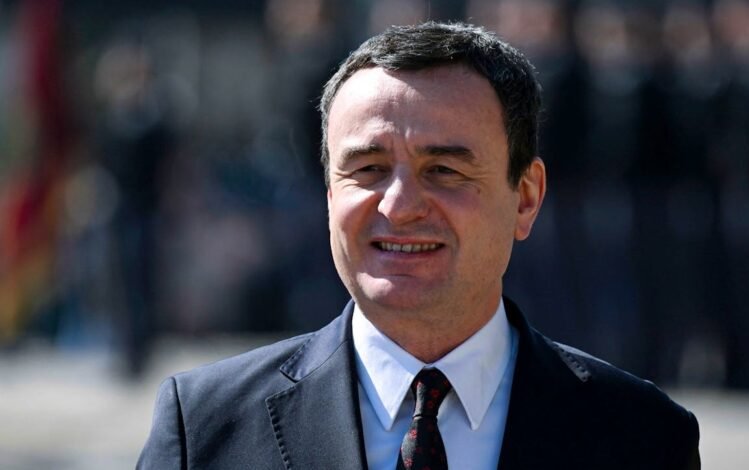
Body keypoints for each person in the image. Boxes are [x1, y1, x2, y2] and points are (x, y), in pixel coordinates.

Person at [137, 22, 700, 469]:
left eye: (445, 170)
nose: (400, 205)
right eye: (368, 169)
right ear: (330, 195)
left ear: (526, 198)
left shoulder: (643, 437)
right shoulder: (205, 429)